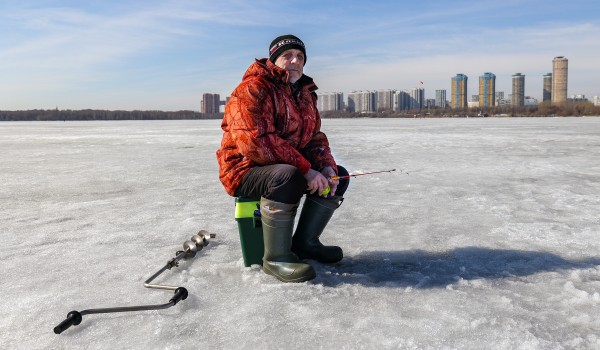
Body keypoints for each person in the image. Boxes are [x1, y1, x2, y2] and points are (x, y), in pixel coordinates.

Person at [216, 34, 350, 283]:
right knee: (287, 175)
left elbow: (314, 138)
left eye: (299, 56)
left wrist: (326, 167)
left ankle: (305, 244)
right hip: (244, 168)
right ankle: (275, 257)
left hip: (286, 165)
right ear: (274, 60)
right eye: (287, 55)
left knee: (338, 176)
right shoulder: (253, 89)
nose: (294, 61)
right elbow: (255, 142)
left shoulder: (306, 95)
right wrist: (306, 170)